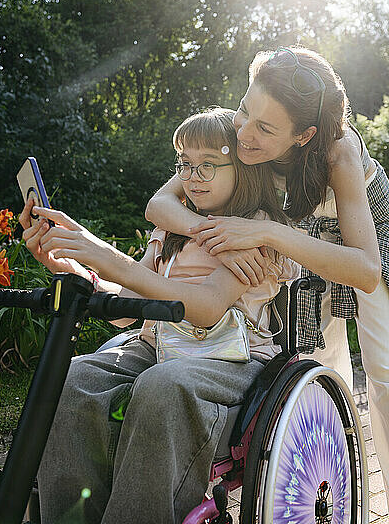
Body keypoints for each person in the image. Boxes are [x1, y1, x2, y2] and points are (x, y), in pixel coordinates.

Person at [19, 108, 299, 524]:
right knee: (71, 377)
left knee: (162, 386)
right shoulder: (171, 229)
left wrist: (111, 258)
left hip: (229, 357)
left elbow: (205, 308)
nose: (193, 176)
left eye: (208, 164)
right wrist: (69, 263)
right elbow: (125, 308)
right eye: (185, 164)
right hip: (157, 346)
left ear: (244, 168)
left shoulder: (256, 228)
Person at [145, 46, 389, 505]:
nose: (246, 133)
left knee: (386, 373)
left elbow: (366, 270)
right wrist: (211, 230)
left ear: (304, 136)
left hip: (364, 236)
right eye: (244, 111)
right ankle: (324, 490)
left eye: (265, 129)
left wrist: (263, 231)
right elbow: (159, 204)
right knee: (321, 363)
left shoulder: (338, 154)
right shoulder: (237, 135)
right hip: (296, 240)